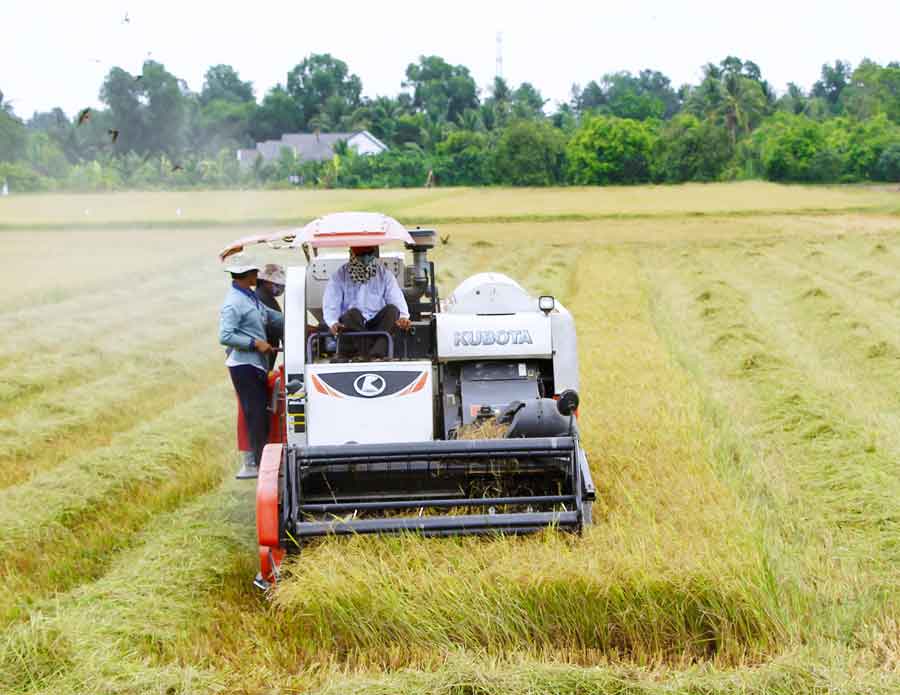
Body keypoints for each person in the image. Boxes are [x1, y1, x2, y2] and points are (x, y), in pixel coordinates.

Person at [219, 255, 284, 478]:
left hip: (255, 364)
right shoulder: (234, 302)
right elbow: (226, 335)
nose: (258, 275)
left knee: (260, 414)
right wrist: (255, 343)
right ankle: (260, 464)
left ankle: (263, 460)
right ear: (246, 275)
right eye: (254, 272)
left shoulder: (250, 298)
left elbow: (272, 318)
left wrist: (299, 325)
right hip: (244, 365)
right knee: (255, 414)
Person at [323, 246, 410, 359]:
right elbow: (331, 304)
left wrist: (403, 318)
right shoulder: (339, 276)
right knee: (351, 314)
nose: (365, 257)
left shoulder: (384, 274)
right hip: (353, 326)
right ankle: (371, 355)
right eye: (361, 254)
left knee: (392, 310)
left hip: (378, 326)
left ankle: (373, 354)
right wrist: (333, 322)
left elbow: (396, 299)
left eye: (369, 254)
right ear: (352, 254)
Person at [255, 264, 285, 370]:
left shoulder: (266, 297)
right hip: (262, 352)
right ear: (265, 282)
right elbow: (280, 326)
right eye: (277, 284)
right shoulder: (262, 299)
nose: (281, 287)